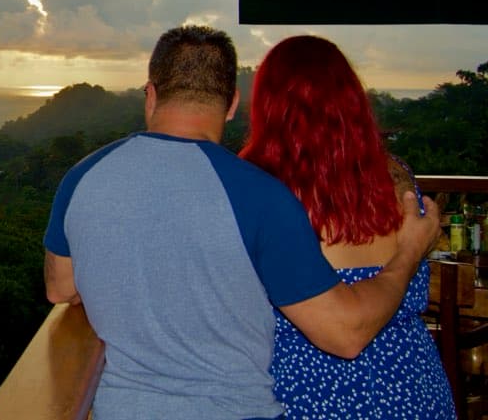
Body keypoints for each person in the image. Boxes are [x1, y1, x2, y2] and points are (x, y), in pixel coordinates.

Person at [43, 25, 441, 420]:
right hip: (370, 394)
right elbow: (344, 332)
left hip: (138, 408)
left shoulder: (81, 176)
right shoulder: (264, 193)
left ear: (150, 94)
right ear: (232, 103)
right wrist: (408, 254)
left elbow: (61, 287)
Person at [239, 35, 454, 418]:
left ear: (268, 108)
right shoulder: (399, 180)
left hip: (305, 395)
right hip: (410, 388)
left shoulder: (256, 191)